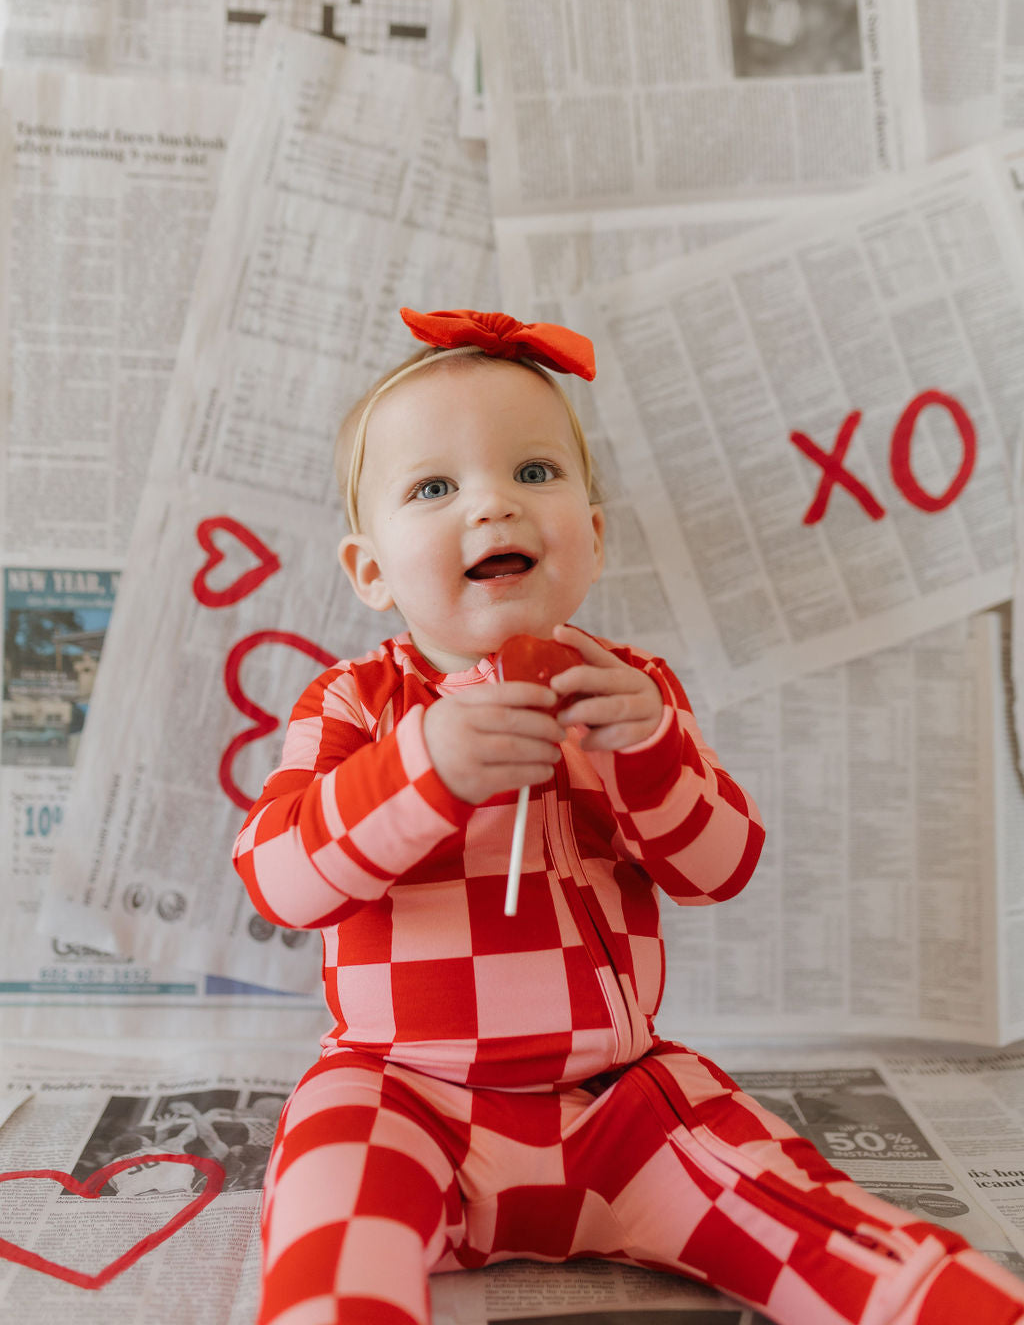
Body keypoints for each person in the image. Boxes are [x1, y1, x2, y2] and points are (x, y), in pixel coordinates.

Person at [233, 308, 1024, 1325]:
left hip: (621, 1108)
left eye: (534, 474)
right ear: (370, 571)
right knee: (329, 1227)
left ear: (592, 539)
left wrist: (645, 753)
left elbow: (721, 864)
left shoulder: (631, 690)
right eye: (435, 488)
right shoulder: (353, 703)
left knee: (815, 1220)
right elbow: (279, 875)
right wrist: (423, 771)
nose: (493, 509)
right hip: (403, 1094)